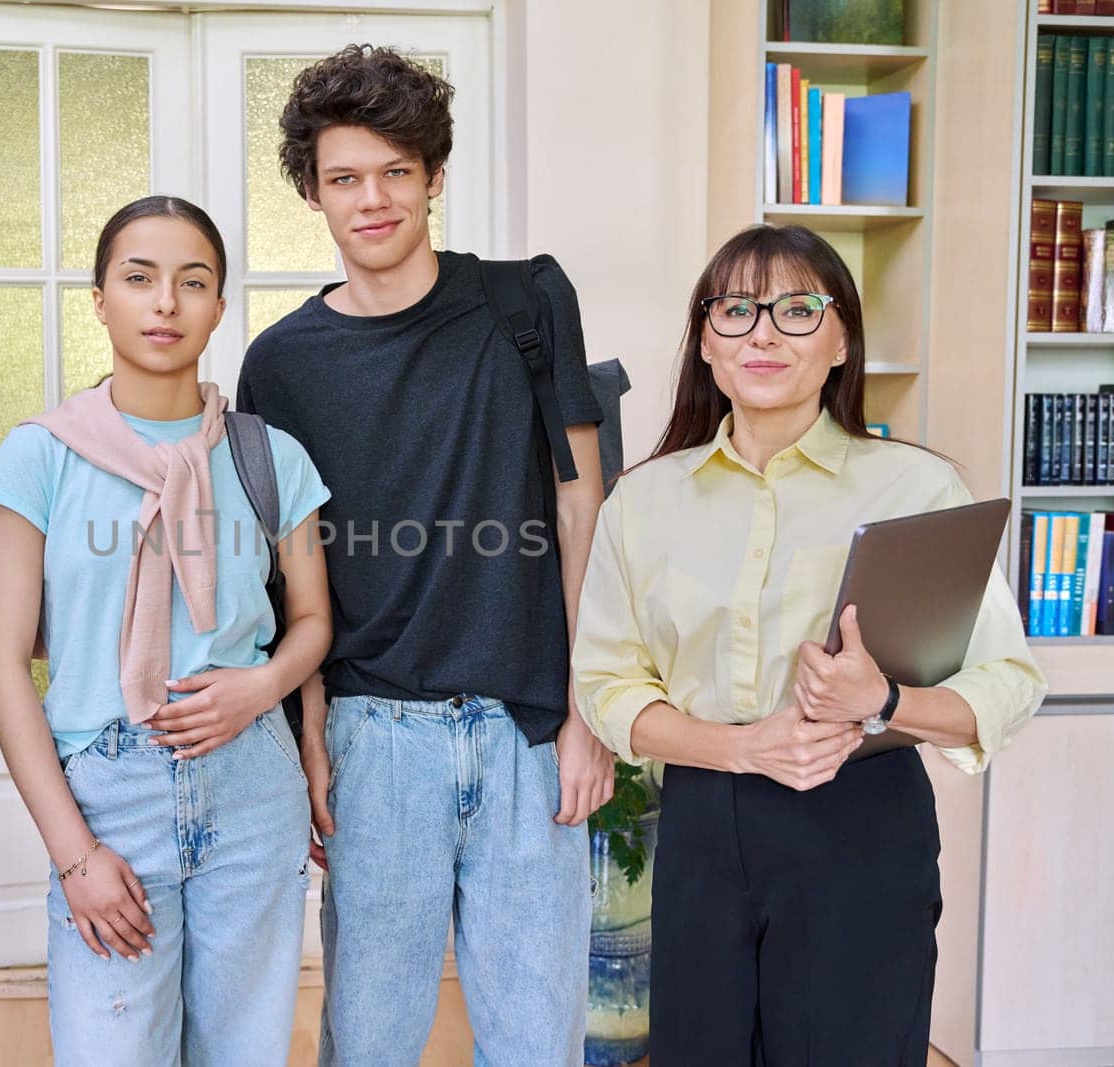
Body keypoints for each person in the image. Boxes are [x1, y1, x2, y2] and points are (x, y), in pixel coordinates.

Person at [571, 223, 1048, 1066]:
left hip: (860, 821)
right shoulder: (642, 501)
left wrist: (885, 700)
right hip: (705, 823)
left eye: (797, 310)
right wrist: (741, 747)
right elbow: (609, 685)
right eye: (736, 310)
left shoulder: (917, 487)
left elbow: (1009, 678)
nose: (762, 332)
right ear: (707, 347)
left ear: (840, 342)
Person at [235, 44, 612, 1066]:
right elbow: (288, 577)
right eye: (345, 177)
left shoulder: (524, 305)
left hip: (527, 727)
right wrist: (312, 740)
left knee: (538, 1040)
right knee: (367, 1041)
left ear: (434, 176)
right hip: (373, 737)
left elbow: (583, 510)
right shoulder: (280, 363)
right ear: (312, 191)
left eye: (396, 172)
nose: (372, 199)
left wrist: (588, 710)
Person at [0, 195, 332, 1065]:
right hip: (107, 793)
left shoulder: (268, 455)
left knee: (242, 1050)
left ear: (217, 305)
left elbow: (314, 622)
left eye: (192, 282)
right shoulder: (40, 455)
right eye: (140, 278)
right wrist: (73, 853)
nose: (165, 302)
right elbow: (1, 667)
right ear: (100, 298)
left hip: (250, 783)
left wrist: (259, 688)